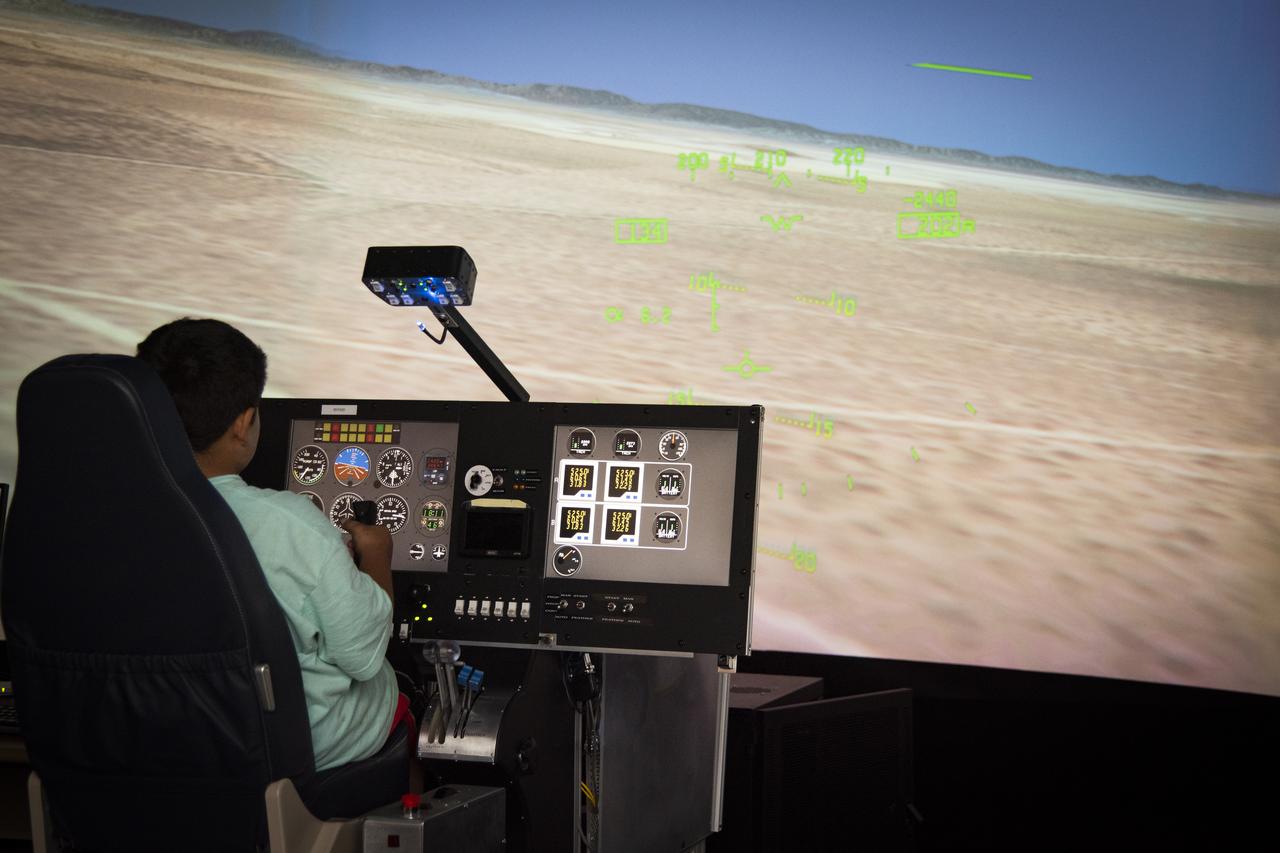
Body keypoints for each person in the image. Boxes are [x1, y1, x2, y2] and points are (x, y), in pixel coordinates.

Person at [136, 317, 408, 772]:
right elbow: (364, 655)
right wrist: (377, 557)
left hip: (144, 741)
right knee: (399, 695)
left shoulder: (96, 513)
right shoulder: (289, 524)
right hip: (273, 752)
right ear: (243, 424)